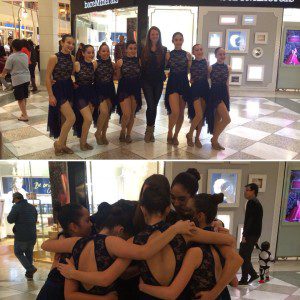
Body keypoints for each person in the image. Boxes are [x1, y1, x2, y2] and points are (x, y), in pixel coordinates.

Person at [42, 201, 195, 299]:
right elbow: (144, 252)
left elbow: (69, 294)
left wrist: (62, 238)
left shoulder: (76, 243)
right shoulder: (114, 243)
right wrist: (174, 230)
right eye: (87, 220)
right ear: (120, 229)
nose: (90, 224)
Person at [139, 192, 242, 299]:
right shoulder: (221, 241)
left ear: (200, 216)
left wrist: (142, 287)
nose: (185, 217)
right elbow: (234, 281)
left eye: (188, 212)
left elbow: (171, 293)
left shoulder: (195, 250)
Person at [37, 203, 92, 300]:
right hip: (55, 293)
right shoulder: (75, 242)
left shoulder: (64, 239)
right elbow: (44, 245)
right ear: (73, 226)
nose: (91, 224)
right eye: (87, 220)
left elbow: (45, 244)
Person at [46, 34, 76, 156]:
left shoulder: (72, 58)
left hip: (68, 88)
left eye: (72, 44)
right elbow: (47, 77)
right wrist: (50, 95)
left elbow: (71, 74)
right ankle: (58, 144)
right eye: (68, 42)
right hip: (58, 90)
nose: (70, 45)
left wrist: (74, 83)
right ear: (62, 43)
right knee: (71, 118)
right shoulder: (54, 57)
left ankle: (63, 145)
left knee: (65, 120)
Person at [141, 26, 167, 143]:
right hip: (146, 81)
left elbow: (168, 65)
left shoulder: (164, 49)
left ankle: (151, 131)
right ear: (149, 36)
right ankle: (148, 131)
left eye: (157, 34)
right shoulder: (143, 49)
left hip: (158, 82)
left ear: (159, 35)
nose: (155, 36)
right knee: (151, 106)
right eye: (153, 34)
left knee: (154, 107)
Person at [165, 32, 192, 146]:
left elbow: (189, 71)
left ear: (183, 40)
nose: (178, 41)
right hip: (173, 83)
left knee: (181, 113)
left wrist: (190, 60)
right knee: (175, 112)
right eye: (176, 39)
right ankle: (170, 131)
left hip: (184, 83)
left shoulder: (187, 54)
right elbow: (165, 68)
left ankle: (176, 136)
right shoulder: (169, 54)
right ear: (173, 41)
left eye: (180, 39)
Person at [6, 192, 38, 280]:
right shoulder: (32, 207)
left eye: (14, 200)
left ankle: (30, 269)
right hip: (32, 235)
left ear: (16, 199)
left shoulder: (16, 207)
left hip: (21, 236)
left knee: (18, 252)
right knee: (29, 253)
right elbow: (35, 220)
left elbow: (10, 219)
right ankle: (29, 275)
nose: (14, 202)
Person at [116, 40, 142, 144]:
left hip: (135, 88)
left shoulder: (139, 61)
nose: (133, 50)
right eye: (130, 48)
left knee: (132, 114)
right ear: (126, 50)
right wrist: (118, 67)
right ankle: (122, 130)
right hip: (124, 88)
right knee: (126, 113)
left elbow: (141, 75)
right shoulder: (120, 61)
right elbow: (118, 77)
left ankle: (128, 134)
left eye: (135, 48)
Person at [73, 44, 97, 151]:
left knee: (86, 121)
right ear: (83, 53)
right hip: (80, 94)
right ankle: (82, 143)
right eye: (88, 52)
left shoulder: (94, 64)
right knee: (88, 119)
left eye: (92, 52)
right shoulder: (77, 64)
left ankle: (83, 142)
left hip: (91, 94)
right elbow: (66, 74)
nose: (91, 54)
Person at [207, 47, 231, 151]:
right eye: (220, 54)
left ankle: (215, 141)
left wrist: (228, 97)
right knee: (227, 119)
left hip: (224, 93)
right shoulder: (211, 68)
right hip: (215, 93)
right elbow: (205, 81)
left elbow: (227, 83)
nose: (222, 56)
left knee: (218, 119)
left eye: (224, 54)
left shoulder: (228, 68)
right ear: (216, 56)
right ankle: (214, 139)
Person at [0, 39, 30, 121]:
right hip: (26, 78)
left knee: (20, 99)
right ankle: (23, 113)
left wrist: (2, 75)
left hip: (18, 80)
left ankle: (25, 116)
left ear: (12, 47)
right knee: (24, 97)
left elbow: (6, 68)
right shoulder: (25, 55)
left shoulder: (11, 57)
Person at [239, 183, 263, 285]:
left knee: (243, 256)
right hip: (253, 234)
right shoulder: (255, 202)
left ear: (253, 191)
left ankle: (246, 278)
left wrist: (244, 235)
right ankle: (251, 275)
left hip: (250, 234)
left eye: (247, 190)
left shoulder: (252, 202)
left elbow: (250, 221)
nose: (245, 192)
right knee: (244, 256)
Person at [186, 44, 210, 148]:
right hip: (195, 89)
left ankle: (197, 138)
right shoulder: (191, 62)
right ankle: (190, 134)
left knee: (202, 117)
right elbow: (186, 74)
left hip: (204, 88)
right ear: (193, 52)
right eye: (197, 50)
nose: (199, 51)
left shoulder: (207, 62)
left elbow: (208, 76)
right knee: (198, 114)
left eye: (201, 49)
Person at [93, 43, 117, 145]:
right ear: (99, 52)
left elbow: (116, 76)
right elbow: (87, 75)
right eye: (103, 51)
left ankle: (104, 135)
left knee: (108, 115)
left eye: (107, 51)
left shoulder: (112, 64)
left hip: (110, 90)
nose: (105, 53)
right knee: (104, 112)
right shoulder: (95, 63)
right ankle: (98, 133)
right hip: (99, 90)